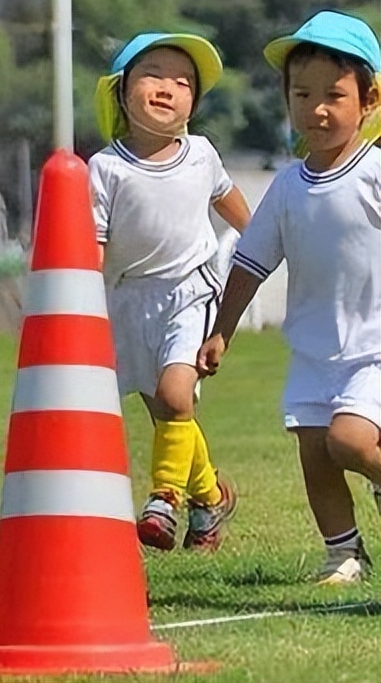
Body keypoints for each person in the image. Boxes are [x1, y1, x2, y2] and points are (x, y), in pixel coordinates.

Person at [198, 11, 381, 584]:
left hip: (374, 346)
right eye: (302, 94)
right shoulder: (286, 186)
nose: (317, 108)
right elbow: (250, 264)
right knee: (314, 452)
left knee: (348, 441)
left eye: (334, 94)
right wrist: (222, 330)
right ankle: (343, 553)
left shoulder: (375, 170)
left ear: (369, 100)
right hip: (311, 349)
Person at [89, 32, 250, 551]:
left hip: (191, 290)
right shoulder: (104, 168)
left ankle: (165, 500)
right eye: (154, 74)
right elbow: (94, 244)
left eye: (184, 82)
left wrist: (266, 240)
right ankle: (210, 497)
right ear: (121, 91)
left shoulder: (201, 154)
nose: (169, 87)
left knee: (177, 395)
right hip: (128, 300)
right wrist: (83, 304)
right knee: (166, 413)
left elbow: (227, 200)